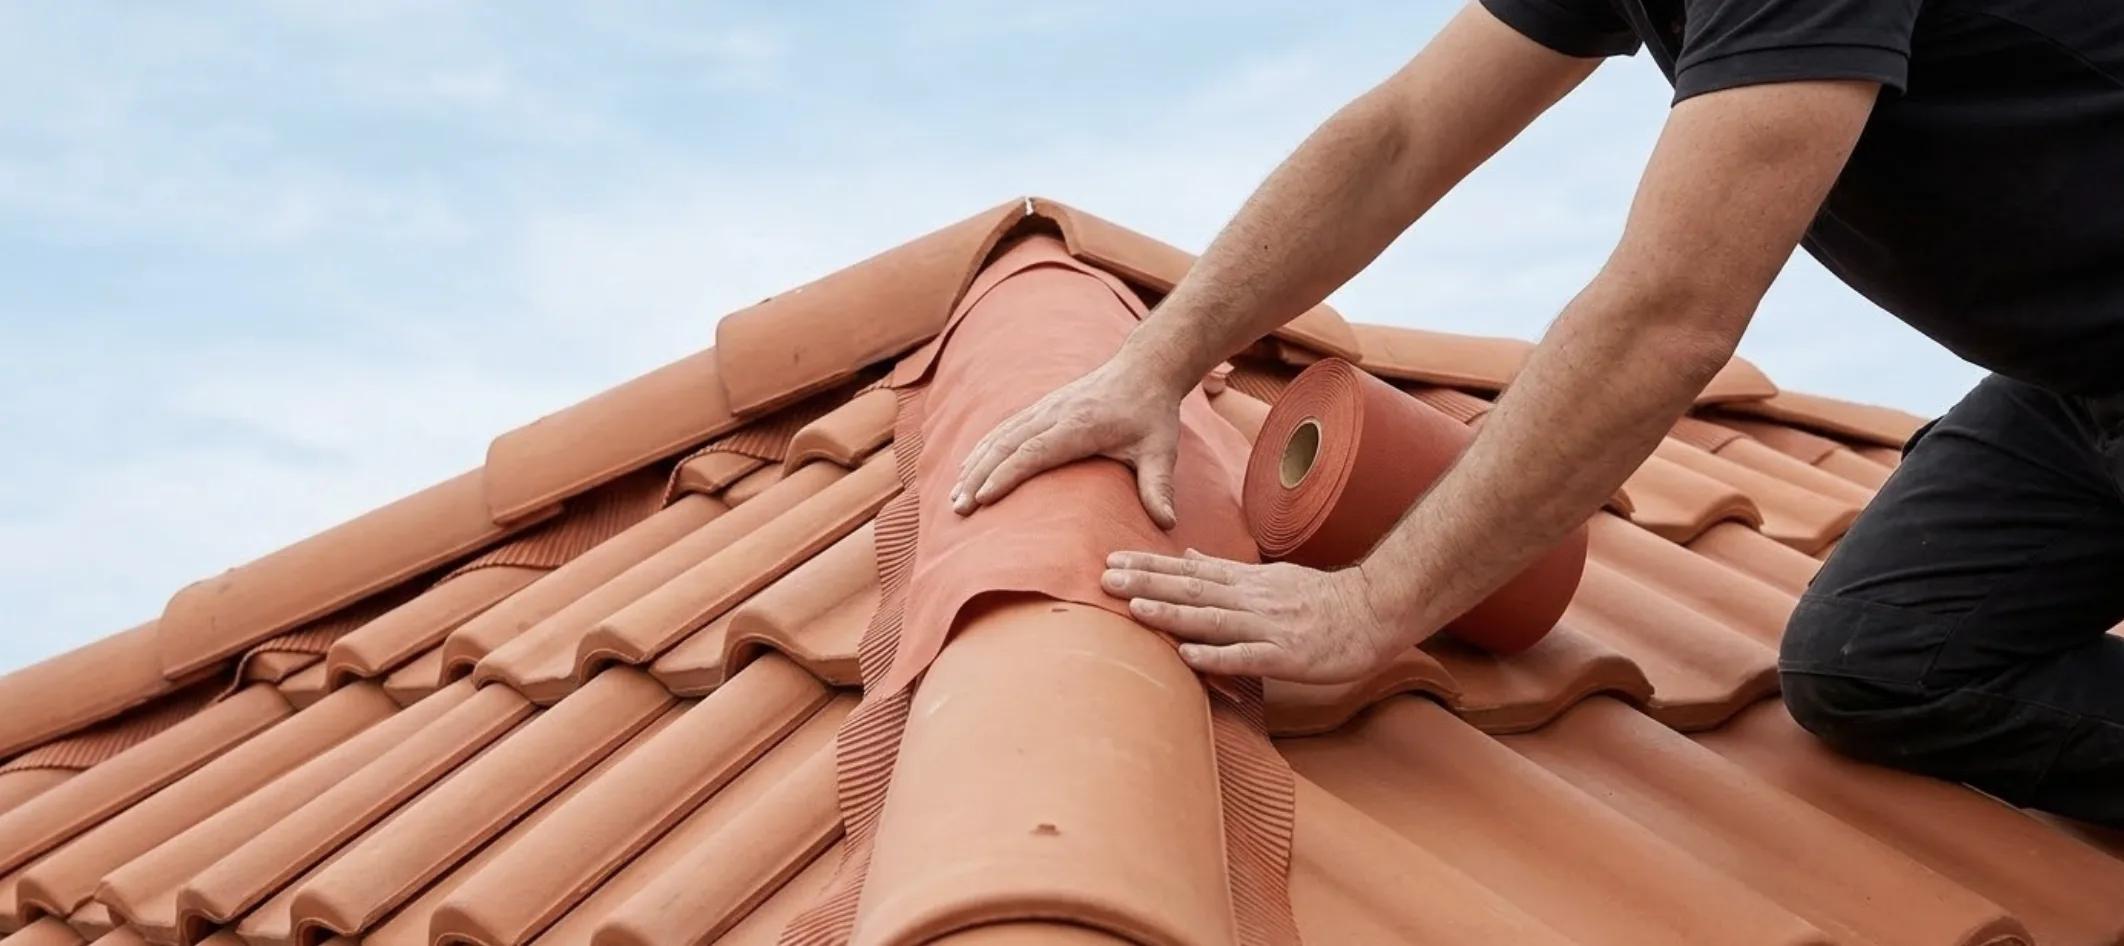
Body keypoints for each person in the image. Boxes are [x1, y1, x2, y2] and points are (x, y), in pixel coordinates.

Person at [946, 0, 2124, 827]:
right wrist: (1154, 363)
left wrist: (1371, 605)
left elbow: (1672, 311)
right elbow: (1402, 134)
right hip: (2075, 389)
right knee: (1888, 666)